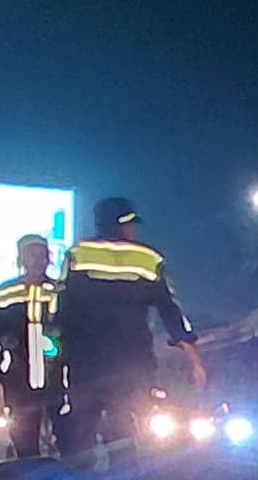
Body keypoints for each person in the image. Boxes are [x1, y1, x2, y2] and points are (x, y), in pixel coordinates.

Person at [55, 197, 204, 461]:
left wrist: (60, 351)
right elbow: (170, 309)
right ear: (121, 225)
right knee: (123, 430)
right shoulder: (148, 258)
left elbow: (61, 308)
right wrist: (192, 354)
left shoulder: (77, 254)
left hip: (85, 360)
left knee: (81, 431)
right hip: (131, 360)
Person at [0, 233, 67, 457]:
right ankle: (28, 476)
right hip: (19, 376)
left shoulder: (60, 292)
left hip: (55, 375)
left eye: (42, 255)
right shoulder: (5, 292)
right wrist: (3, 343)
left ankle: (66, 477)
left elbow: (74, 325)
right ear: (21, 259)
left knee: (66, 431)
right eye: (32, 255)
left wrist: (59, 339)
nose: (38, 261)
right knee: (23, 434)